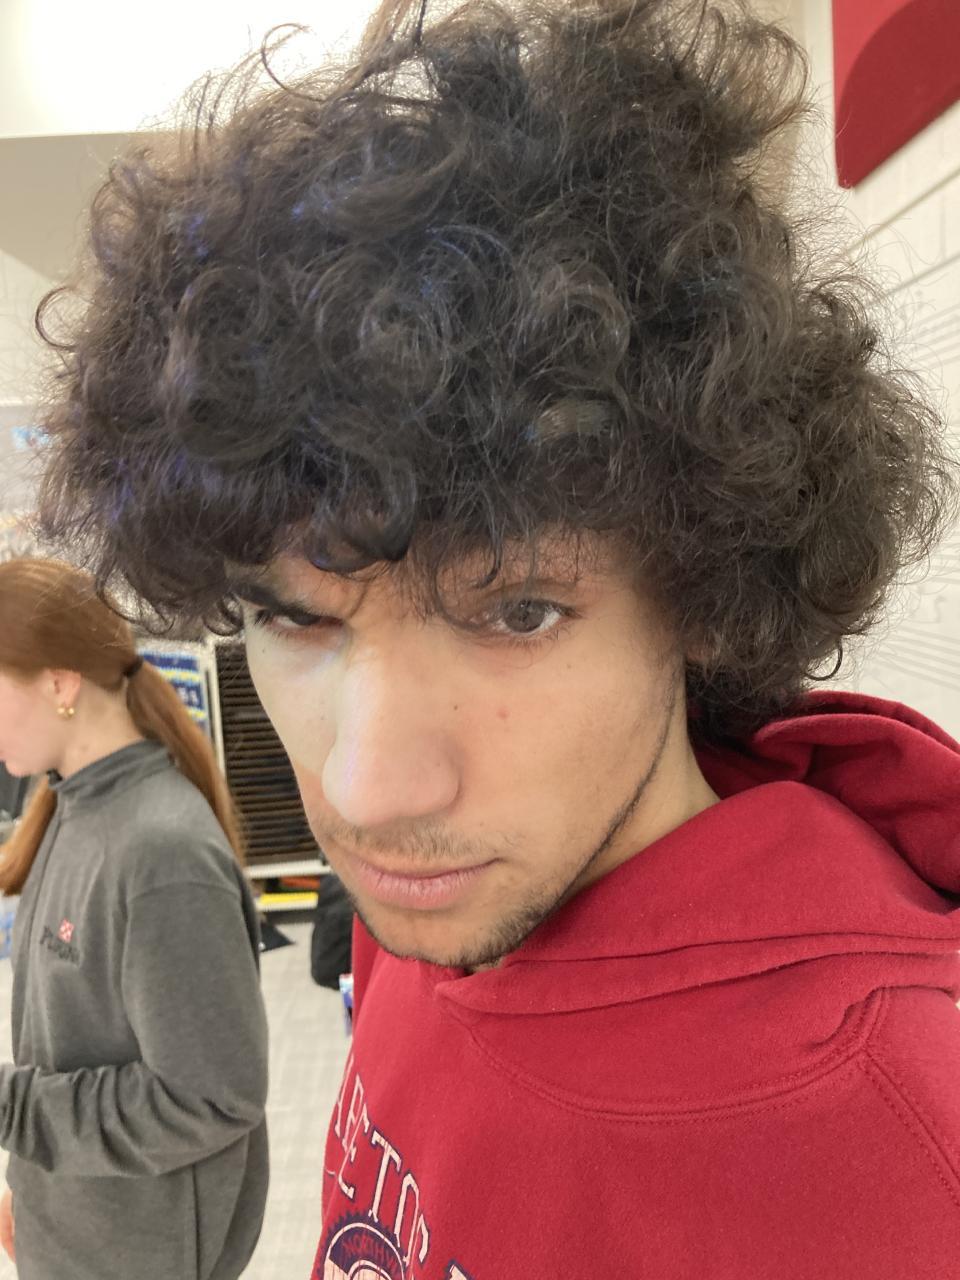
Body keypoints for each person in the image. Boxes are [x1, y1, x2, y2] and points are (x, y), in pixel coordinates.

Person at [30, 0, 960, 1275]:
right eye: (294, 614)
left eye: (519, 611)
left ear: (702, 592)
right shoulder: (437, 892)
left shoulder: (898, 1165)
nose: (367, 791)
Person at [0, 559, 268, 1280]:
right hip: (80, 1227)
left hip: (140, 1255)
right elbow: (70, 1041)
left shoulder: (162, 855)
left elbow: (212, 1098)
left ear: (60, 683)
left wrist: (15, 1113)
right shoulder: (71, 803)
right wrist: (33, 1185)